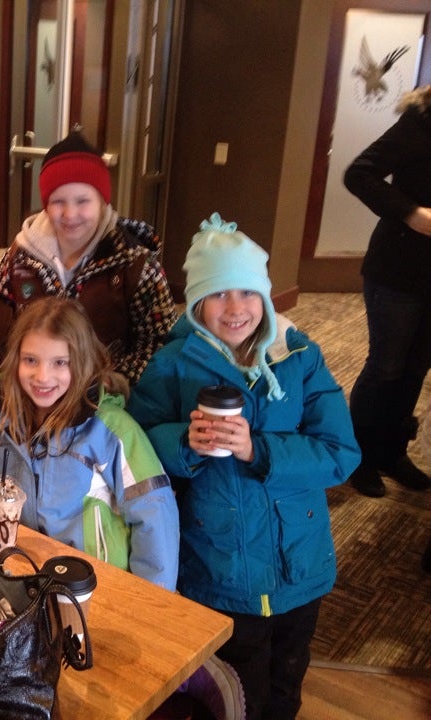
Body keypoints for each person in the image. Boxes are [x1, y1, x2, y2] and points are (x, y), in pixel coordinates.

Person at [128, 214, 361, 719]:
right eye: (218, 294)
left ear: (267, 297)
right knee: (236, 691)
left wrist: (260, 451)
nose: (236, 308)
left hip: (299, 567)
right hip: (219, 572)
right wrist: (184, 442)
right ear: (196, 303)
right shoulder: (174, 364)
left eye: (248, 292)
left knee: (286, 684)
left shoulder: (298, 358)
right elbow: (137, 443)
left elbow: (340, 452)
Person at [0, 297, 179, 590]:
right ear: (15, 359)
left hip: (97, 586)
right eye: (31, 360)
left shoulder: (113, 433)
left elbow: (156, 518)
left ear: (81, 364)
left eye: (60, 363)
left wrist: (151, 600)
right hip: (27, 575)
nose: (43, 377)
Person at [0, 129, 176, 384]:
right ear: (45, 205)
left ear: (103, 202)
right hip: (35, 386)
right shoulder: (19, 258)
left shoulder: (136, 264)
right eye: (58, 202)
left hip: (104, 394)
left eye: (83, 201)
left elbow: (159, 341)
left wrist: (113, 382)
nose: (70, 213)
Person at [342, 84, 431, 497]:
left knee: (416, 369)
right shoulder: (421, 121)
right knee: (386, 367)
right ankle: (359, 457)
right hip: (397, 270)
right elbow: (359, 173)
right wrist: (410, 213)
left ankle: (392, 453)